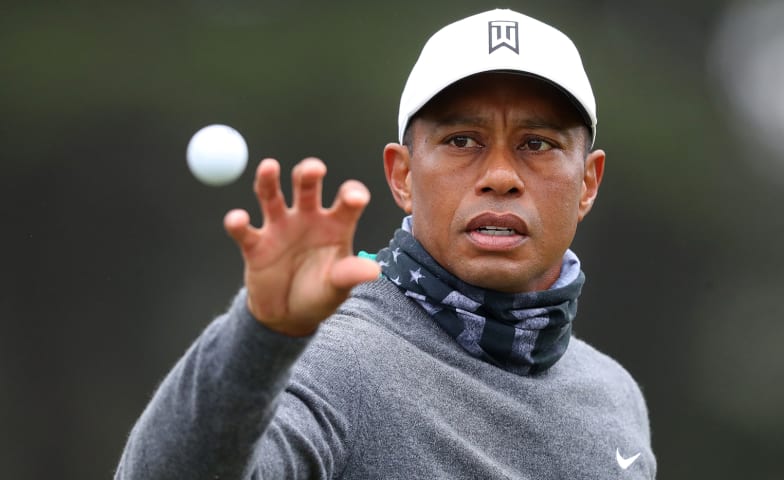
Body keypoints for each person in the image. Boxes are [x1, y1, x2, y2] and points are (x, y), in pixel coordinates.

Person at [115, 8, 656, 479]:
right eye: (461, 140)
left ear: (587, 183)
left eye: (536, 144)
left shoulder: (614, 395)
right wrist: (260, 334)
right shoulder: (336, 364)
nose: (499, 175)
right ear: (402, 176)